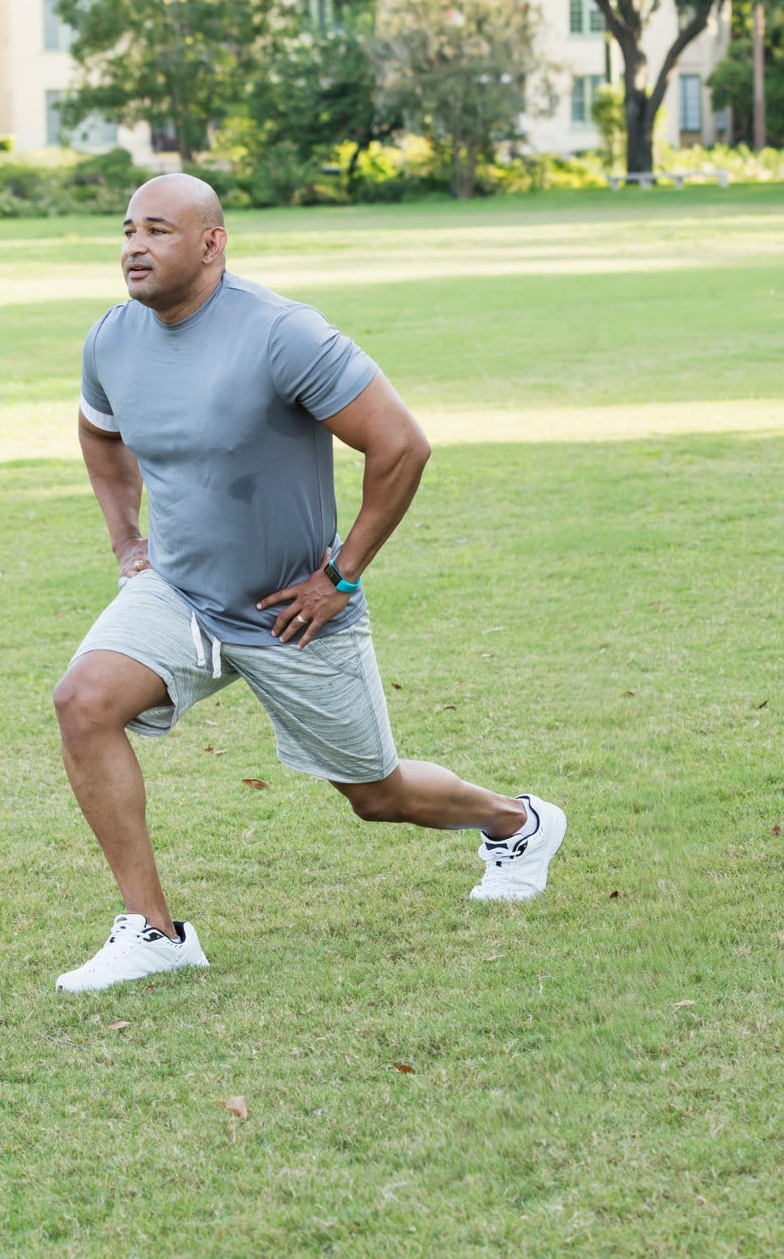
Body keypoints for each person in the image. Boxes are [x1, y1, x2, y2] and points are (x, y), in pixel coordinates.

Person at [51, 174, 568, 992]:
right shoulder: (112, 339)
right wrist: (126, 542)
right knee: (82, 701)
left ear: (212, 242)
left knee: (376, 793)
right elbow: (98, 431)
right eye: (126, 232)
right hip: (180, 592)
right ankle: (154, 932)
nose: (133, 249)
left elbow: (401, 444)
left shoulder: (281, 334)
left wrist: (340, 575)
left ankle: (516, 823)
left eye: (157, 231)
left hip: (291, 611)